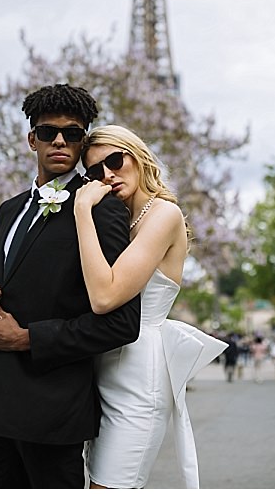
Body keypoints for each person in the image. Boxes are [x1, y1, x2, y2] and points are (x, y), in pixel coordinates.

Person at [0, 84, 144, 488]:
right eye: (48, 132)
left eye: (73, 132)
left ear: (84, 142)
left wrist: (27, 339)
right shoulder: (8, 211)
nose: (60, 140)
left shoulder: (101, 208)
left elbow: (121, 324)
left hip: (55, 413)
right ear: (33, 139)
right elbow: (9, 290)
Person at [70, 123, 227, 488]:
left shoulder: (164, 215)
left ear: (138, 157)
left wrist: (81, 211)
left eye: (114, 160)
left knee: (112, 485)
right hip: (100, 373)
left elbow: (105, 296)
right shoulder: (117, 218)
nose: (107, 175)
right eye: (94, 171)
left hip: (140, 379)